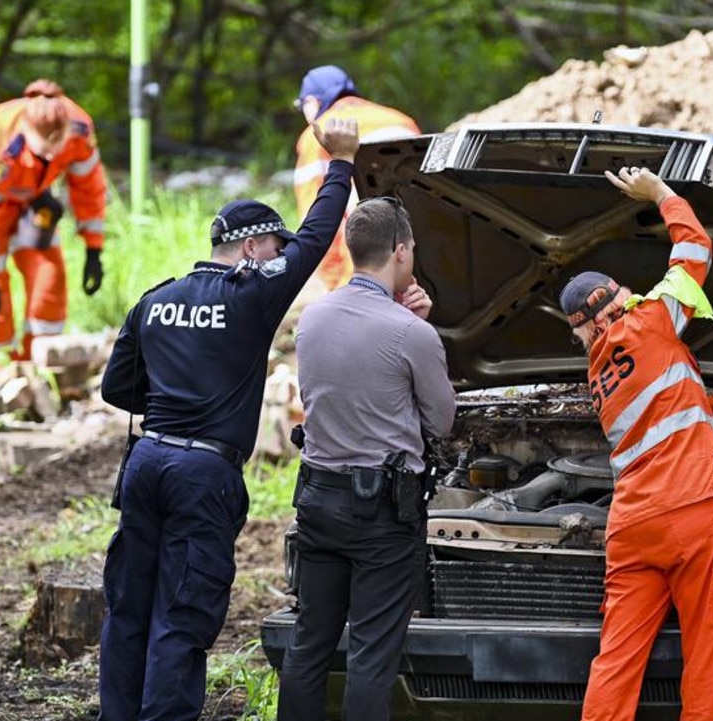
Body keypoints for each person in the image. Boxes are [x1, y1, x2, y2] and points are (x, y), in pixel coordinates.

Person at [96, 117, 360, 721]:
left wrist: (176, 396)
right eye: (273, 245)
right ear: (250, 247)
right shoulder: (250, 299)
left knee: (129, 606)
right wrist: (340, 163)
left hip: (145, 463)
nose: (279, 255)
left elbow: (118, 388)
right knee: (183, 613)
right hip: (202, 472)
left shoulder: (154, 301)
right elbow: (316, 240)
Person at [561, 166, 713, 721]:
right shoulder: (653, 320)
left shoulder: (601, 377)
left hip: (635, 528)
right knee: (711, 651)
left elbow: (662, 404)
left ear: (588, 328)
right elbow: (695, 248)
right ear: (615, 305)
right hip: (695, 510)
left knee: (616, 664)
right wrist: (662, 194)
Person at [276, 196, 455, 721]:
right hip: (382, 514)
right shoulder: (412, 333)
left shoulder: (312, 319)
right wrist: (419, 327)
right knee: (372, 656)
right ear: (400, 251)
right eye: (413, 248)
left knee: (309, 646)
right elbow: (440, 421)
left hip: (318, 498)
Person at [0, 78, 108, 379]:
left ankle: (41, 364)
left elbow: (88, 186)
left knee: (47, 267)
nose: (53, 157)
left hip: (31, 188)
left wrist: (94, 246)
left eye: (56, 152)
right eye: (44, 152)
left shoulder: (80, 129)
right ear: (26, 133)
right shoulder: (2, 145)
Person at [293, 65, 421, 291]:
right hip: (415, 245)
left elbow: (317, 218)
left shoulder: (319, 134)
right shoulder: (401, 120)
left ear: (312, 102)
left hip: (362, 260)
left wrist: (334, 285)